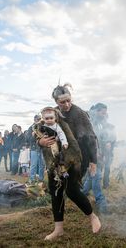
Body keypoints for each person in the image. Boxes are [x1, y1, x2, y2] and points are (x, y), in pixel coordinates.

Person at [37, 84, 101, 240]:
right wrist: (41, 142)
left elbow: (91, 138)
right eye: (62, 102)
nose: (66, 105)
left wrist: (93, 161)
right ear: (56, 102)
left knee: (72, 190)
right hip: (57, 159)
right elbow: (35, 131)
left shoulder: (79, 114)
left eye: (68, 101)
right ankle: (58, 228)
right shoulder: (51, 114)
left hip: (78, 158)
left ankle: (93, 217)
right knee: (56, 190)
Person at [27, 115, 45, 183]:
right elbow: (28, 139)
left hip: (42, 148)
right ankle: (32, 179)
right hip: (34, 148)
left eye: (40, 119)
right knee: (33, 165)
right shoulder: (30, 128)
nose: (39, 120)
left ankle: (41, 179)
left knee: (42, 165)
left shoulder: (43, 127)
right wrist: (33, 135)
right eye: (37, 119)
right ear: (34, 119)